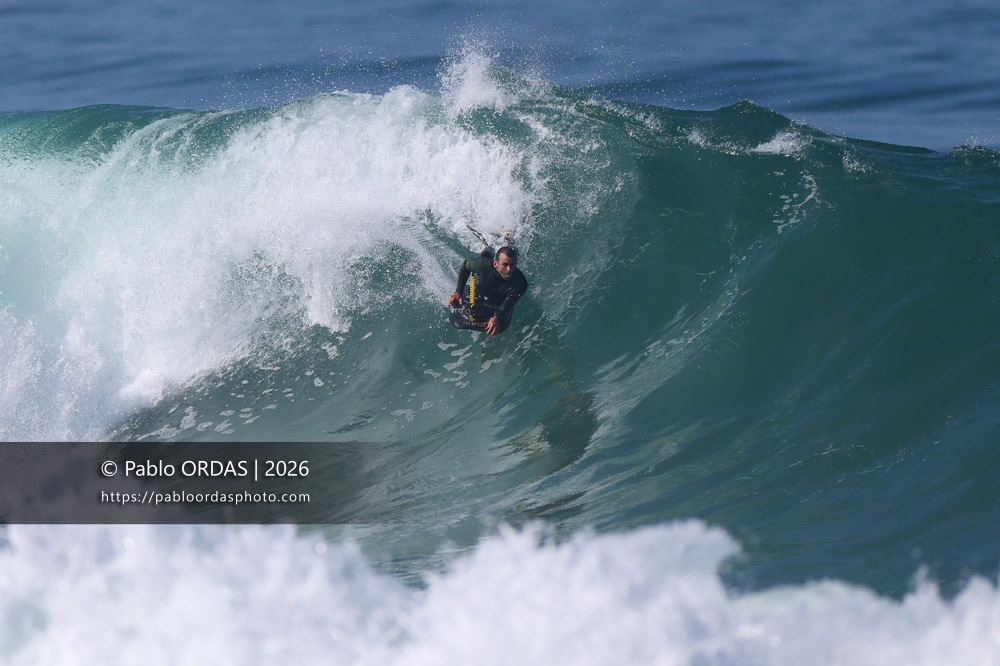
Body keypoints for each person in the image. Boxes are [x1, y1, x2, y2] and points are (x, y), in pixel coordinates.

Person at [448, 246, 528, 335]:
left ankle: (508, 238)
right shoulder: (482, 266)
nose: (509, 269)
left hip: (498, 298)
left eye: (512, 265)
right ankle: (491, 246)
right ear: (495, 264)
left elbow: (509, 303)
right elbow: (465, 265)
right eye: (505, 265)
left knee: (511, 245)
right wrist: (458, 292)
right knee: (487, 252)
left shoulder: (520, 283)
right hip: (481, 283)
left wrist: (496, 316)